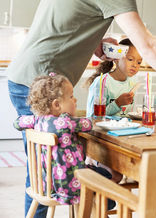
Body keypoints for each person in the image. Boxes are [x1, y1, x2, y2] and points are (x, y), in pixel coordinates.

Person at [7, 0, 156, 216]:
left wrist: (96, 44)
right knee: (44, 177)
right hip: (39, 82)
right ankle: (97, 193)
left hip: (25, 77)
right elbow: (147, 46)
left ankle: (93, 194)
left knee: (42, 172)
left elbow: (63, 25)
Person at [13, 74, 115, 209]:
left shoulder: (37, 120)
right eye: (71, 96)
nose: (75, 99)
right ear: (57, 105)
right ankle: (98, 207)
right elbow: (88, 124)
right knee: (106, 175)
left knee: (102, 174)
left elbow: (17, 123)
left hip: (47, 184)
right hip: (69, 185)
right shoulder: (65, 123)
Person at [86, 38, 142, 117]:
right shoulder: (102, 82)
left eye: (139, 62)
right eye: (130, 59)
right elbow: (93, 116)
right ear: (116, 59)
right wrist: (117, 103)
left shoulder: (132, 83)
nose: (135, 65)